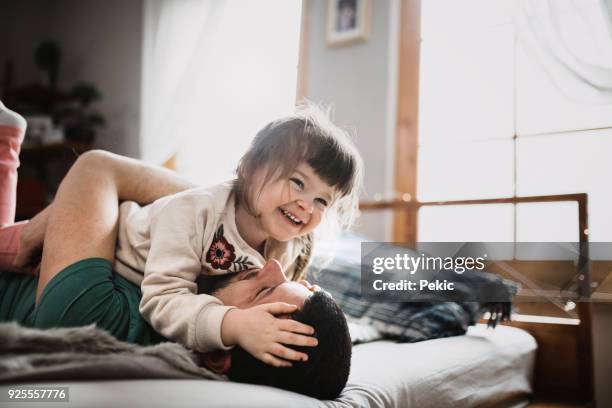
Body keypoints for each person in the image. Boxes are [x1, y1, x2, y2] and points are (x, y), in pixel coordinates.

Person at [0, 101, 361, 365]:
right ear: (250, 168)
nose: (307, 206)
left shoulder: (284, 245)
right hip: (116, 234)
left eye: (322, 201)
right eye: (297, 182)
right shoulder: (194, 211)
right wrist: (232, 323)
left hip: (109, 243)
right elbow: (164, 297)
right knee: (10, 246)